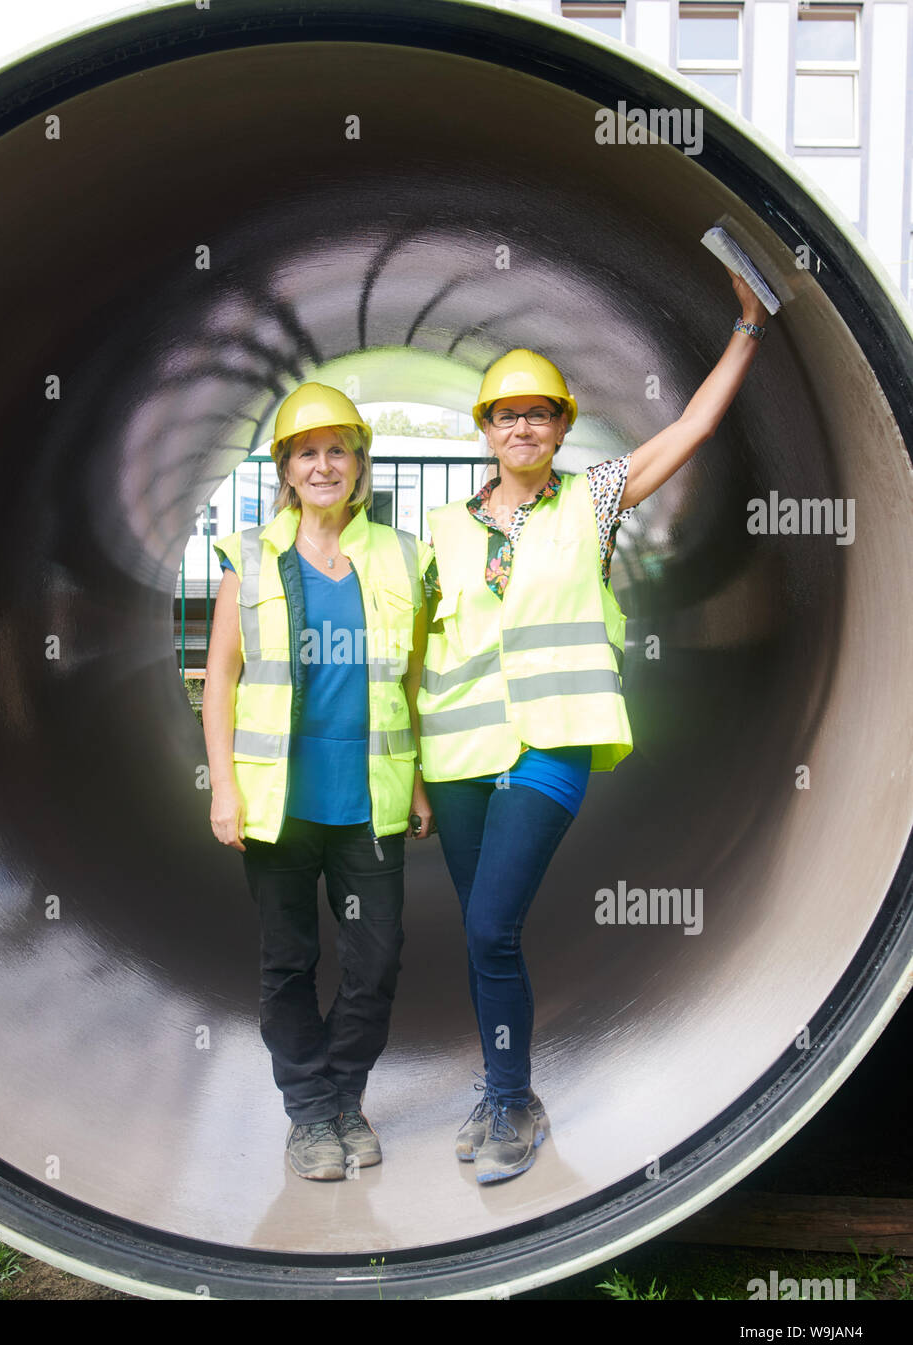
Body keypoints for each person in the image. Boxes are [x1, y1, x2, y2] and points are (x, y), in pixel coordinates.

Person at [418, 270, 769, 1184]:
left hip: (552, 739)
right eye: (506, 414)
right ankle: (505, 1085)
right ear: (484, 432)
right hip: (455, 752)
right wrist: (411, 771)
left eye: (541, 414)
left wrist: (746, 329)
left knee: (494, 925)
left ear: (564, 427)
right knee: (479, 932)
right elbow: (417, 650)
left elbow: (690, 430)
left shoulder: (595, 498)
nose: (523, 427)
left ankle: (508, 1101)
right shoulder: (440, 530)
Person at [204, 383, 432, 1182]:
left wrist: (421, 783)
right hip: (280, 805)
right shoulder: (251, 556)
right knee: (289, 962)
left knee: (376, 960)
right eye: (309, 452)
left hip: (369, 798)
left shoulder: (402, 556)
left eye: (339, 450)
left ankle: (345, 1096)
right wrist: (223, 788)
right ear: (287, 470)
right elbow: (220, 680)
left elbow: (407, 679)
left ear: (360, 463)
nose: (325, 465)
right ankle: (309, 1114)